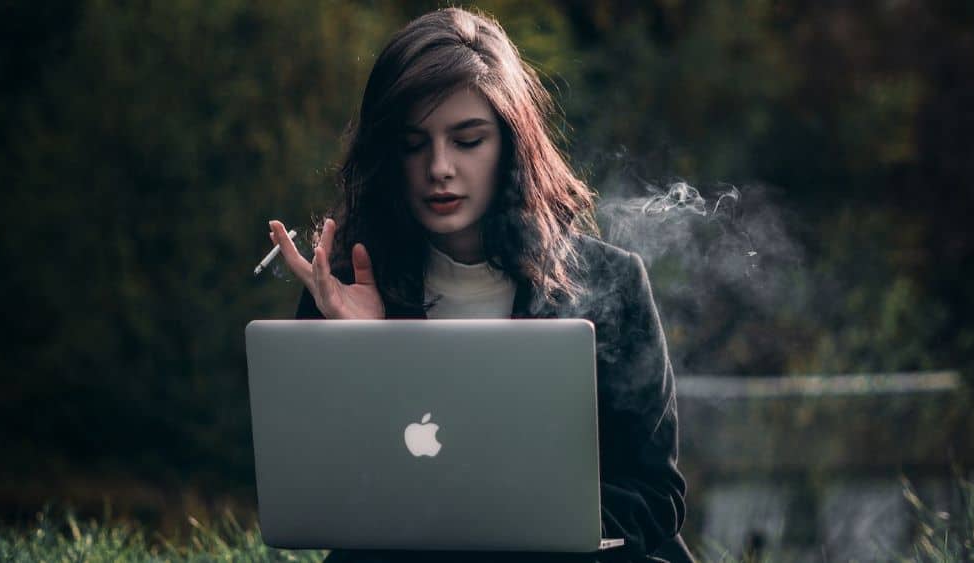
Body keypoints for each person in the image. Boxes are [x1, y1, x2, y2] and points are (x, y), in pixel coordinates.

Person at [267, 7, 694, 563]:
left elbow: (652, 493)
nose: (439, 167)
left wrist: (538, 535)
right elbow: (326, 498)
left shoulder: (612, 283)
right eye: (413, 143)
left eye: (468, 140)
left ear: (511, 146)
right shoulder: (343, 286)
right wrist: (367, 352)